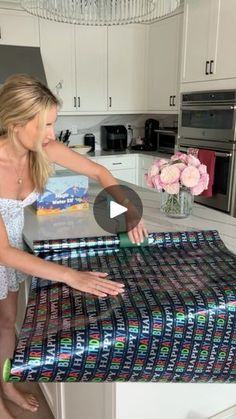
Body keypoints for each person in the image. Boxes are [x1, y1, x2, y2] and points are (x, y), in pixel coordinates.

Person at [0, 74, 148, 418]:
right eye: (46, 125)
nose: (53, 134)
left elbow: (100, 173)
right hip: (3, 251)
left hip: (10, 257)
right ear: (16, 122)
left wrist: (128, 211)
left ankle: (5, 385)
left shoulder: (42, 150)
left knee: (7, 322)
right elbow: (3, 251)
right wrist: (72, 276)